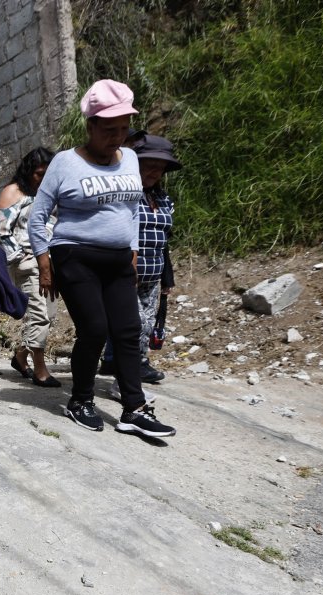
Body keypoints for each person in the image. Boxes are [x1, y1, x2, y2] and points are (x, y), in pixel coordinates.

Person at [27, 80, 176, 437]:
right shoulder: (65, 162)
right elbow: (38, 216)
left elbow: (134, 211)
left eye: (124, 129)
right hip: (74, 256)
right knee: (94, 329)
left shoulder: (131, 160)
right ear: (90, 126)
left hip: (119, 259)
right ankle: (80, 400)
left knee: (127, 330)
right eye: (109, 129)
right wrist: (45, 264)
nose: (117, 137)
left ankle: (134, 409)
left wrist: (135, 252)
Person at [108, 134, 183, 401]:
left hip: (153, 275)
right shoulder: (124, 197)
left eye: (159, 167)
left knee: (146, 326)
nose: (154, 172)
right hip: (126, 275)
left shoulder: (164, 201)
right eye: (148, 165)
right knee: (134, 327)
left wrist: (167, 278)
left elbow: (164, 242)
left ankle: (132, 368)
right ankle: (124, 381)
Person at [0, 147, 59, 387]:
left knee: (48, 315)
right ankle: (40, 370)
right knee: (39, 314)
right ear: (29, 172)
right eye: (39, 174)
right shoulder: (14, 192)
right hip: (28, 261)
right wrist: (21, 258)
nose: (43, 179)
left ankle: (21, 357)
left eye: (48, 174)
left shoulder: (52, 194)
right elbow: (1, 230)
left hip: (51, 262)